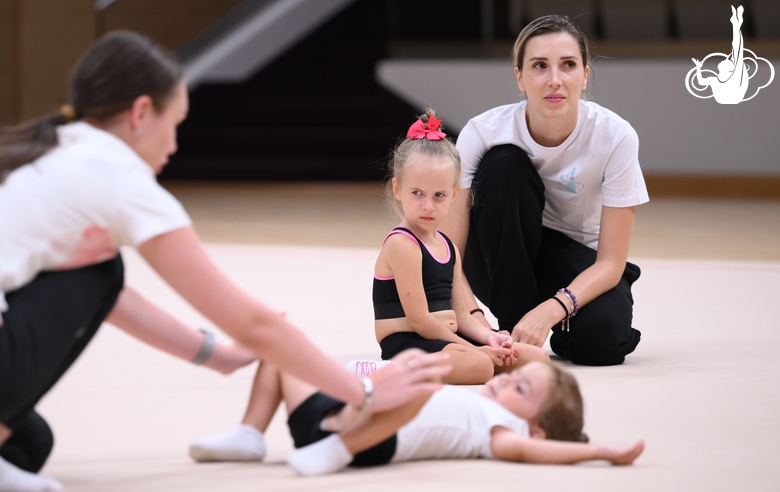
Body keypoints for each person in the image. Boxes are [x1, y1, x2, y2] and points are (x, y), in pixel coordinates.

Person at [0, 31, 449, 492]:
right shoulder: (117, 176)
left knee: (29, 443)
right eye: (174, 123)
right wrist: (366, 392)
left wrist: (217, 356)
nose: (174, 144)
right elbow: (252, 323)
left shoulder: (57, 147)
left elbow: (105, 299)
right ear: (140, 113)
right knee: (103, 272)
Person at [441, 15, 649, 366]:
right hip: (499, 251)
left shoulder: (616, 137)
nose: (555, 80)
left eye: (568, 65)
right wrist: (472, 320)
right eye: (539, 66)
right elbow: (449, 252)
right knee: (504, 164)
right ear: (520, 77)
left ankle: (549, 327)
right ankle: (511, 332)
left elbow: (611, 262)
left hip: (571, 258)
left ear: (585, 75)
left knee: (602, 341)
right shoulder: (483, 132)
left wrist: (553, 311)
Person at [190, 359, 644, 475]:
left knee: (421, 384)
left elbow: (528, 451)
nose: (504, 382)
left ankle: (336, 449)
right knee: (284, 352)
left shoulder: (506, 430)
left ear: (537, 424)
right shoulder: (489, 404)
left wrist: (600, 452)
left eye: (520, 389)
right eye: (513, 377)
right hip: (333, 419)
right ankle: (250, 434)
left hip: (369, 443)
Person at [691, 5, 748, 104]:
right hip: (728, 98)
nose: (725, 59)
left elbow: (737, 48)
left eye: (727, 61)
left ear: (729, 69)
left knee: (737, 50)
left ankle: (736, 24)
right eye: (728, 60)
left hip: (733, 97)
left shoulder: (734, 78)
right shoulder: (715, 80)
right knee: (737, 51)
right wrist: (698, 67)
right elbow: (701, 82)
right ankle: (736, 24)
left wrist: (736, 26)